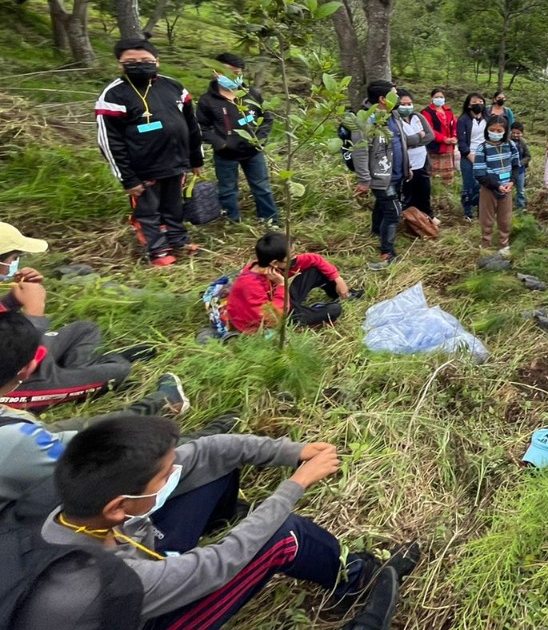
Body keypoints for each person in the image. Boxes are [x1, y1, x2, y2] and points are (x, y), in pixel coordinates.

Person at [14, 414, 420, 630]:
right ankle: (358, 581)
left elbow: (209, 451)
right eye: (164, 474)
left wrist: (291, 451)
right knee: (282, 535)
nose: (176, 470)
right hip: (142, 617)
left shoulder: (72, 509)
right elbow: (224, 560)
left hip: (134, 576)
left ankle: (223, 514)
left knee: (212, 466)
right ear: (120, 506)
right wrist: (296, 484)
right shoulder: (105, 583)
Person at [0, 312, 192, 525]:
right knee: (119, 452)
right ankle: (203, 437)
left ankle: (160, 402)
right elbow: (93, 462)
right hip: (19, 521)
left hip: (18, 440)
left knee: (85, 430)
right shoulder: (18, 444)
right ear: (28, 369)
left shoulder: (17, 436)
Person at [0, 223, 149, 413]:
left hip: (21, 358)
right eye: (14, 258)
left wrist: (12, 300)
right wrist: (34, 312)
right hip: (11, 385)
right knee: (120, 370)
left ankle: (75, 376)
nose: (15, 264)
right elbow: (13, 356)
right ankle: (80, 379)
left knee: (84, 329)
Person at [95, 37, 204, 267]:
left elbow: (191, 124)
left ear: (157, 61)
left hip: (176, 163)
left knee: (174, 206)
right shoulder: (114, 95)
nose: (139, 64)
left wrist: (196, 157)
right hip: (143, 169)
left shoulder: (173, 86)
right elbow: (109, 141)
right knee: (148, 211)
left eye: (145, 60)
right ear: (120, 64)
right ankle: (157, 250)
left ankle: (178, 240)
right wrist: (127, 178)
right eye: (131, 61)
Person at [348, 80, 428, 270]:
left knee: (383, 206)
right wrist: (364, 180)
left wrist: (406, 165)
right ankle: (387, 252)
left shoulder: (393, 115)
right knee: (393, 212)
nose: (398, 98)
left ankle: (377, 231)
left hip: (397, 172)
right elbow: (360, 152)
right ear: (383, 99)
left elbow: (400, 141)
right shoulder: (365, 121)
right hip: (380, 175)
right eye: (394, 94)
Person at [196, 52, 279, 225]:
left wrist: (260, 139)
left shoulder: (252, 94)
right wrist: (222, 144)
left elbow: (267, 117)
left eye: (237, 72)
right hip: (226, 154)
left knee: (262, 187)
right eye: (227, 72)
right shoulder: (207, 101)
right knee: (227, 189)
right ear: (215, 72)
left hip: (253, 151)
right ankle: (232, 221)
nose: (232, 76)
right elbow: (202, 127)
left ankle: (270, 219)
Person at [224, 232, 360, 333]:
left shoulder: (268, 267)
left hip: (281, 300)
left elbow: (314, 259)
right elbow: (273, 318)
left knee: (316, 271)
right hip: (274, 317)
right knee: (334, 310)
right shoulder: (250, 285)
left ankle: (343, 294)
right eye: (291, 255)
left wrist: (338, 279)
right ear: (275, 263)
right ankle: (310, 316)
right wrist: (282, 285)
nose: (295, 257)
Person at [473, 114, 518, 252]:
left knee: (505, 218)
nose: (496, 133)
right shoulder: (483, 148)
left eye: (499, 131)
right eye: (493, 130)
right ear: (487, 130)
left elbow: (516, 165)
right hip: (489, 188)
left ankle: (504, 243)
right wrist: (496, 185)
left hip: (507, 188)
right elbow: (479, 174)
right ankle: (486, 243)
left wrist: (512, 182)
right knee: (487, 218)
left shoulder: (510, 145)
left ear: (505, 131)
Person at [395, 90, 436, 222]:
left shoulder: (418, 117)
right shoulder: (395, 120)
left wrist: (412, 142)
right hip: (407, 162)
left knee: (424, 190)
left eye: (409, 104)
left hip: (422, 160)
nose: (407, 107)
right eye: (403, 104)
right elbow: (401, 141)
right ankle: (408, 219)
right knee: (408, 192)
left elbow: (430, 135)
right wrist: (419, 136)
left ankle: (427, 216)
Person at [456, 92, 488, 220]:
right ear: (469, 105)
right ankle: (467, 212)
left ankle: (481, 209)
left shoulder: (487, 118)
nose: (478, 104)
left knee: (482, 185)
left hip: (485, 155)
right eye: (474, 102)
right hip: (468, 156)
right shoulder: (463, 120)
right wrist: (472, 157)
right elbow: (462, 143)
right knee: (468, 184)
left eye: (481, 102)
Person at [424, 88, 458, 185]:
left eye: (441, 97)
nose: (439, 99)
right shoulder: (427, 112)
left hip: (449, 146)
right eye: (436, 97)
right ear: (432, 98)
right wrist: (444, 139)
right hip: (435, 146)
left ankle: (447, 190)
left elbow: (455, 125)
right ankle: (435, 190)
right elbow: (429, 129)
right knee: (434, 173)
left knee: (448, 173)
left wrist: (454, 137)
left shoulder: (448, 111)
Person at [508, 121, 532, 211]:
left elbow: (528, 156)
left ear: (522, 133)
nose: (515, 135)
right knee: (507, 188)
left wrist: (519, 163)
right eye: (513, 132)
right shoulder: (507, 141)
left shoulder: (523, 143)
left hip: (520, 170)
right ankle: (506, 206)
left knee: (520, 190)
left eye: (518, 133)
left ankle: (520, 207)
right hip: (507, 170)